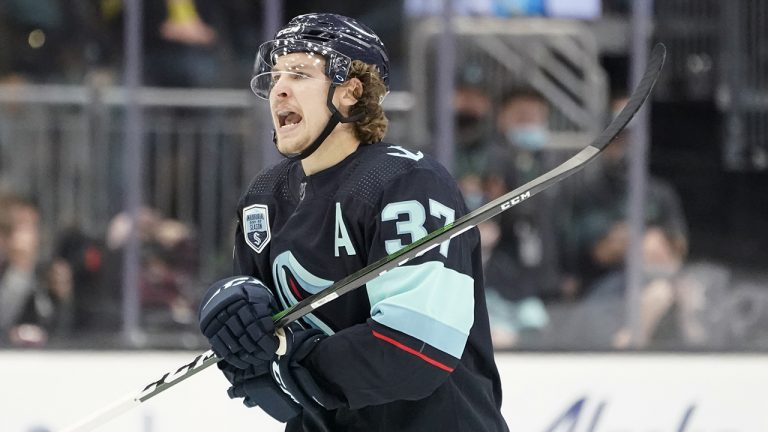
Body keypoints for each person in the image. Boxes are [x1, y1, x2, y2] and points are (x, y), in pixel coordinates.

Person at [197, 13, 508, 431]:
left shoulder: (408, 183)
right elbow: (265, 377)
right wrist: (240, 338)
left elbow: (415, 352)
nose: (279, 89)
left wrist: (290, 360)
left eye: (300, 73)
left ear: (351, 91)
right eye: (275, 77)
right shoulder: (263, 199)